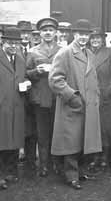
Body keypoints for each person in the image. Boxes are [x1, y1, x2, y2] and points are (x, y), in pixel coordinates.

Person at [49, 19, 102, 190]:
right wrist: (72, 97)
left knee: (83, 141)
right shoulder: (65, 53)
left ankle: (80, 171)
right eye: (80, 34)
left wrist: (96, 97)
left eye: (86, 34)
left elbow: (93, 79)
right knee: (71, 142)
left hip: (89, 106)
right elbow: (55, 80)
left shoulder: (90, 55)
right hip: (73, 105)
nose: (83, 37)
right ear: (74, 34)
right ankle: (71, 176)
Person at [26, 17, 62, 177]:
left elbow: (67, 71)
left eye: (51, 30)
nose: (48, 33)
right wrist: (36, 72)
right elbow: (25, 74)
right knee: (42, 133)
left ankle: (56, 163)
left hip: (57, 97)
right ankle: (43, 165)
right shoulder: (33, 52)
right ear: (39, 33)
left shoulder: (62, 50)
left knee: (58, 131)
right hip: (40, 98)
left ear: (55, 33)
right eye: (44, 30)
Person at [0, 28, 28, 188]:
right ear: (3, 41)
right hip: (2, 105)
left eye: (16, 43)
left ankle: (10, 172)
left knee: (13, 140)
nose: (13, 46)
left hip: (17, 105)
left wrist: (27, 83)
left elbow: (23, 77)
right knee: (1, 140)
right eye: (10, 42)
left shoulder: (20, 58)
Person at [88, 28, 111, 169]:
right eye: (92, 38)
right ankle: (95, 156)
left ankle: (106, 156)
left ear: (103, 39)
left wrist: (108, 92)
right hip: (90, 95)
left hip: (106, 96)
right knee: (93, 127)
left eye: (98, 38)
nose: (95, 40)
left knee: (105, 128)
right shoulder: (85, 52)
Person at [16, 20, 37, 171]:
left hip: (33, 94)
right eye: (22, 33)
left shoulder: (34, 50)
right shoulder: (11, 50)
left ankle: (31, 158)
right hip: (17, 95)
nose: (25, 36)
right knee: (18, 124)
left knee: (32, 126)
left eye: (27, 33)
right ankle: (18, 151)